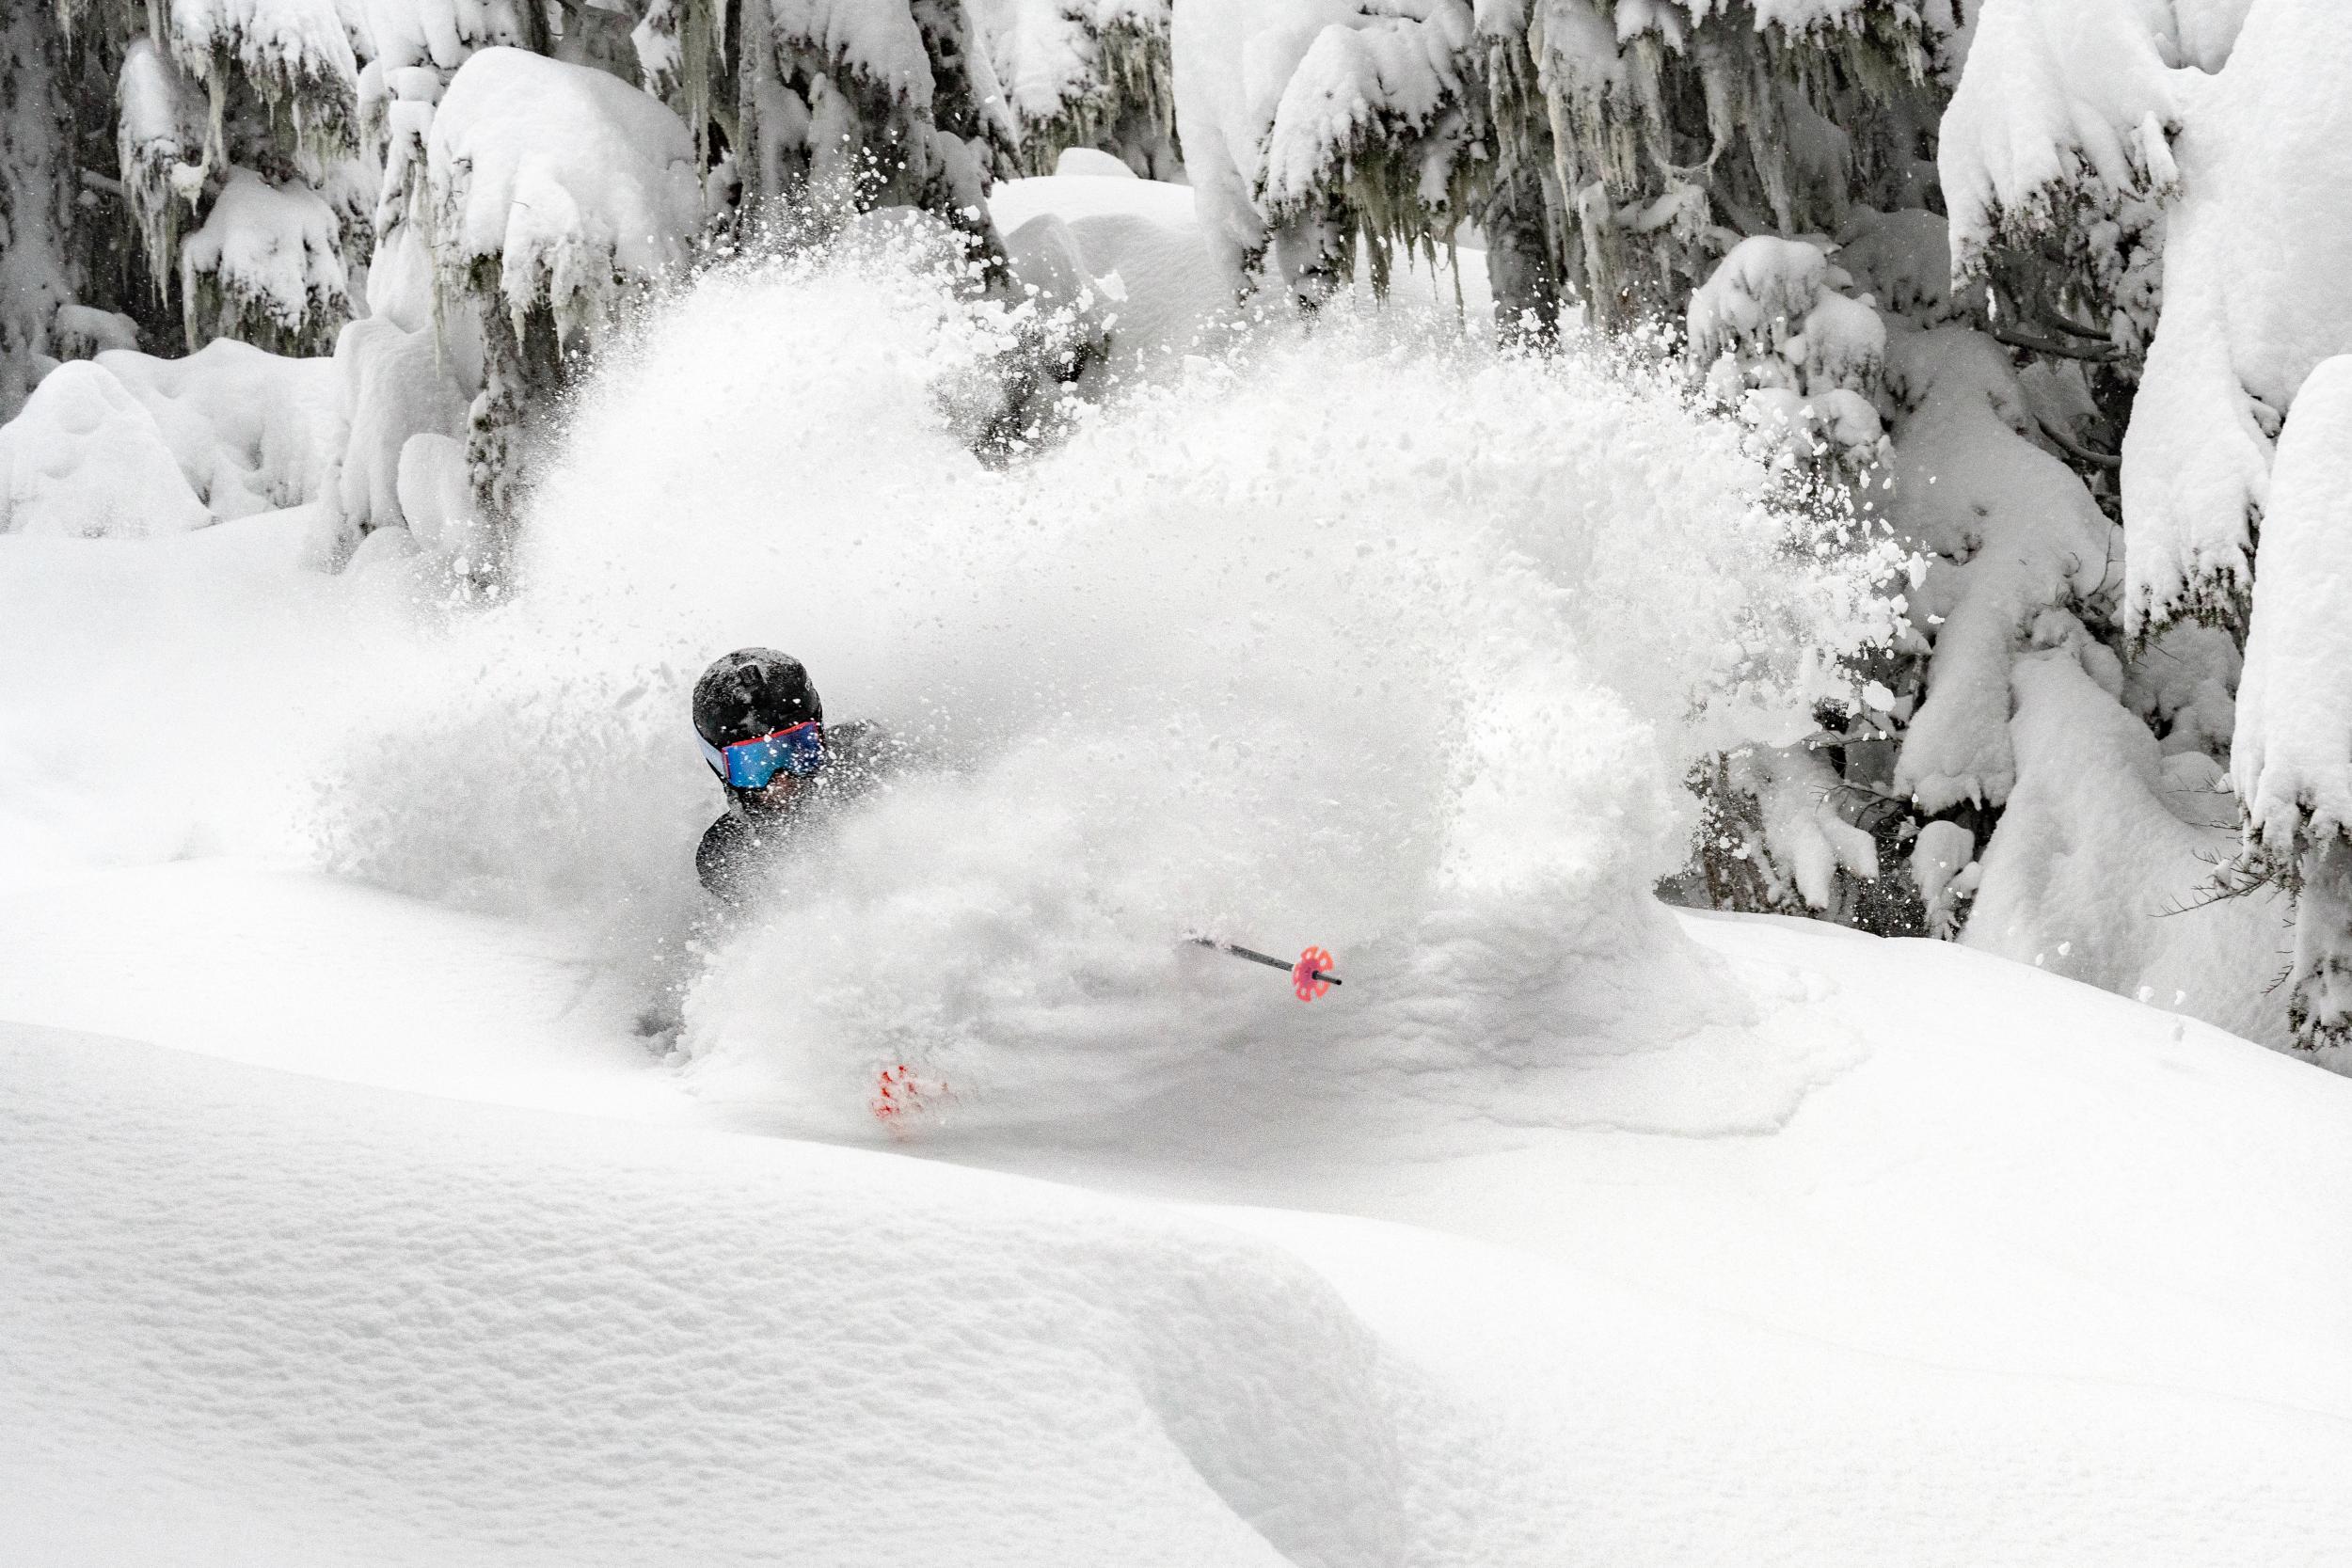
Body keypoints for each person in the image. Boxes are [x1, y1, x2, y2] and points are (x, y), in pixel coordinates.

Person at [691, 647, 890, 903]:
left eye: (798, 749)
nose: (782, 779)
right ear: (721, 767)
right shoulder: (726, 855)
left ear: (820, 735)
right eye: (754, 765)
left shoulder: (873, 762)